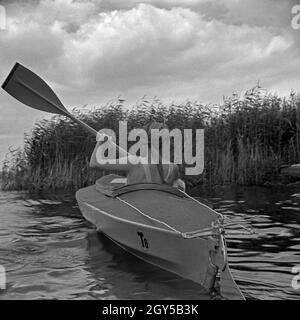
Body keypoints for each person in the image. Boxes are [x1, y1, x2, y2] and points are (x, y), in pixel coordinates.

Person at [90, 121, 185, 190]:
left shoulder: (133, 162)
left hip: (137, 207)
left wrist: (100, 142)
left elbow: (94, 163)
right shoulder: (173, 167)